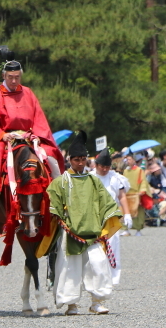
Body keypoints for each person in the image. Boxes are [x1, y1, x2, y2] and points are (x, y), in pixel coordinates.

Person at [0, 59, 64, 195]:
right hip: (4, 137)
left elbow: (39, 119)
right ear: (4, 76)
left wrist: (36, 135)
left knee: (51, 155)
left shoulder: (28, 93)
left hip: (28, 137)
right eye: (10, 77)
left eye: (17, 77)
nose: (14, 81)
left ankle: (57, 193)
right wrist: (1, 135)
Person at [47, 132, 122, 316]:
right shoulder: (60, 183)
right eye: (76, 159)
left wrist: (113, 217)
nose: (80, 163)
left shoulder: (93, 181)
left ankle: (97, 302)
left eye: (82, 159)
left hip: (93, 233)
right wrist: (59, 218)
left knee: (98, 265)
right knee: (69, 269)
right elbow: (53, 205)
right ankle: (71, 305)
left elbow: (107, 203)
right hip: (70, 233)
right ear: (69, 160)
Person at [91, 147, 133, 286]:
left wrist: (127, 214)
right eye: (102, 166)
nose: (104, 169)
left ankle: (113, 277)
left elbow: (122, 197)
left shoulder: (114, 178)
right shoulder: (90, 178)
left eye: (107, 166)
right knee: (94, 249)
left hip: (111, 217)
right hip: (94, 217)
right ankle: (94, 277)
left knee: (112, 247)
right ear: (96, 165)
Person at [123, 154, 151, 236]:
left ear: (134, 160)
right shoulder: (125, 171)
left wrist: (142, 190)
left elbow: (143, 181)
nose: (128, 161)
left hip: (136, 193)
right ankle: (126, 229)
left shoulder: (139, 170)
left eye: (129, 159)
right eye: (127, 160)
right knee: (126, 211)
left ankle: (138, 230)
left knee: (138, 212)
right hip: (128, 193)